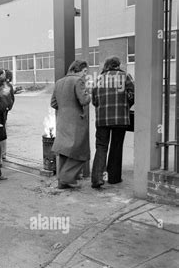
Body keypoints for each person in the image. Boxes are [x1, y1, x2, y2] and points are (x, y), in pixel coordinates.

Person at [91, 56, 135, 189]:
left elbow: (94, 100)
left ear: (107, 65)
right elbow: (132, 95)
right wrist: (126, 105)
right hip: (120, 118)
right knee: (116, 147)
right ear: (118, 65)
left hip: (102, 119)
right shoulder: (125, 76)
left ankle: (97, 179)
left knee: (101, 146)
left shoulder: (99, 78)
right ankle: (114, 178)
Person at [50, 60, 91, 189]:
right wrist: (89, 93)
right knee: (80, 152)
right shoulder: (78, 81)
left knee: (64, 151)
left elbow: (53, 103)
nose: (85, 75)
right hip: (76, 123)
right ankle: (66, 178)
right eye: (84, 72)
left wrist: (64, 107)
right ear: (77, 70)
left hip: (62, 121)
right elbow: (84, 100)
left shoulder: (59, 82)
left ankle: (62, 183)